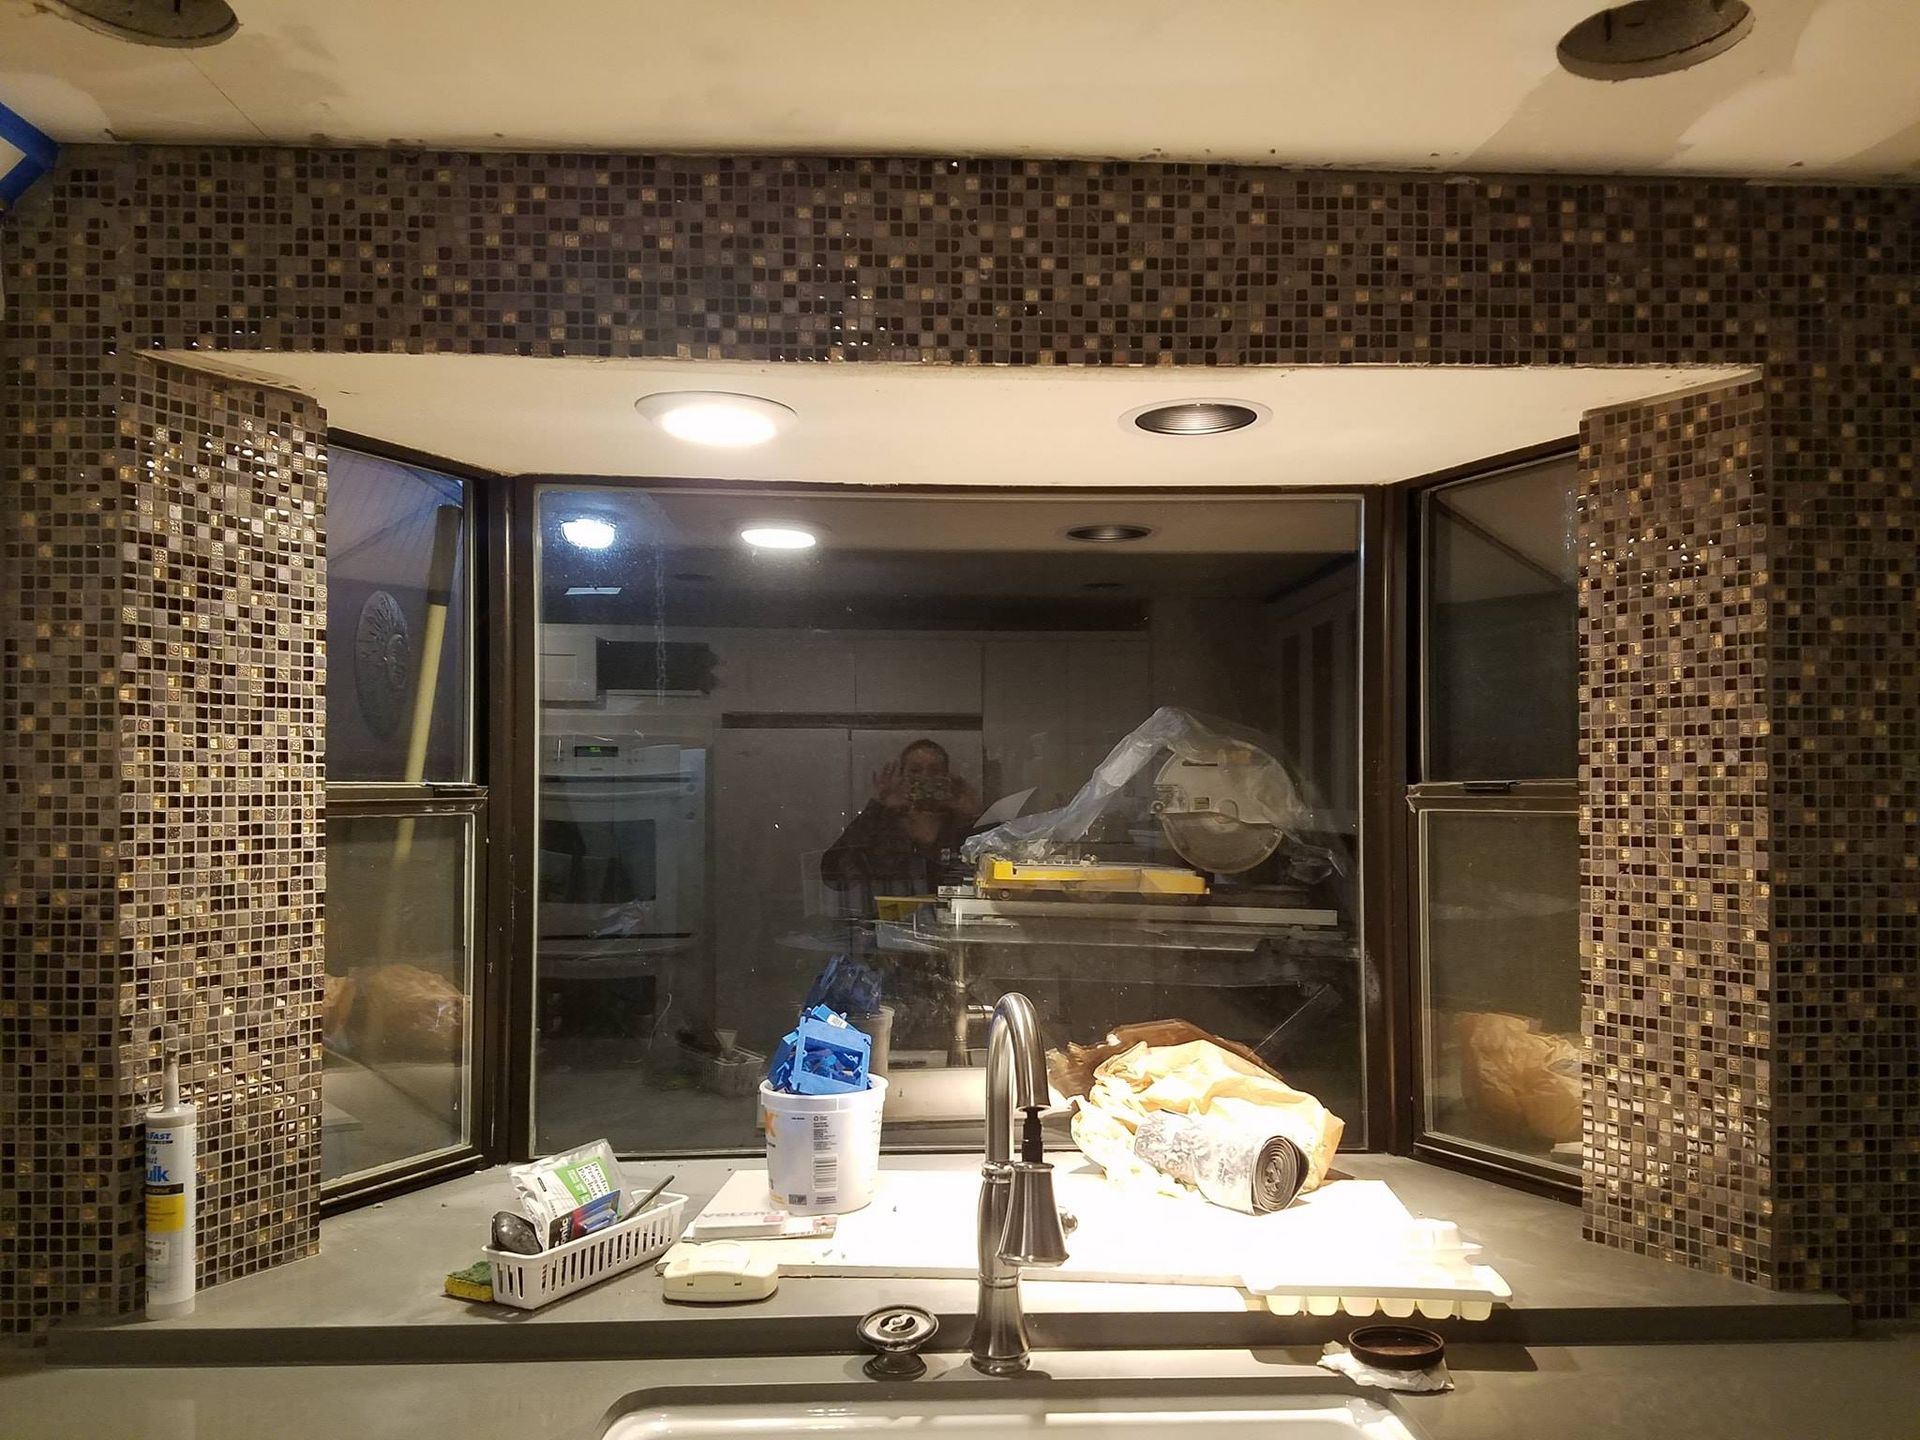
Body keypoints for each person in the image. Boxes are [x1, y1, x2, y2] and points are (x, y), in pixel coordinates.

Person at [819, 739, 981, 910]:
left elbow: (987, 872)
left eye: (935, 771)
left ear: (947, 777)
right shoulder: (883, 825)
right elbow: (834, 875)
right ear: (902, 777)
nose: (925, 777)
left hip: (953, 919)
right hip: (887, 920)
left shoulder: (959, 825)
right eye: (915, 771)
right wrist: (879, 807)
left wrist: (975, 817)